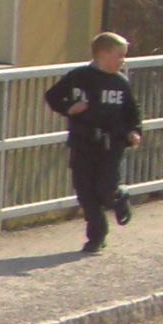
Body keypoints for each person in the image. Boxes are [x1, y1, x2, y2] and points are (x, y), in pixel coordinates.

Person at [45, 32, 144, 253]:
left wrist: (134, 131)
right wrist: (69, 108)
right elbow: (53, 96)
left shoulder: (121, 83)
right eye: (119, 55)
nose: (123, 61)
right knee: (86, 193)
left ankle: (119, 197)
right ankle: (97, 237)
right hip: (83, 143)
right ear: (102, 54)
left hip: (111, 145)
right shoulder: (79, 77)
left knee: (106, 188)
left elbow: (132, 111)